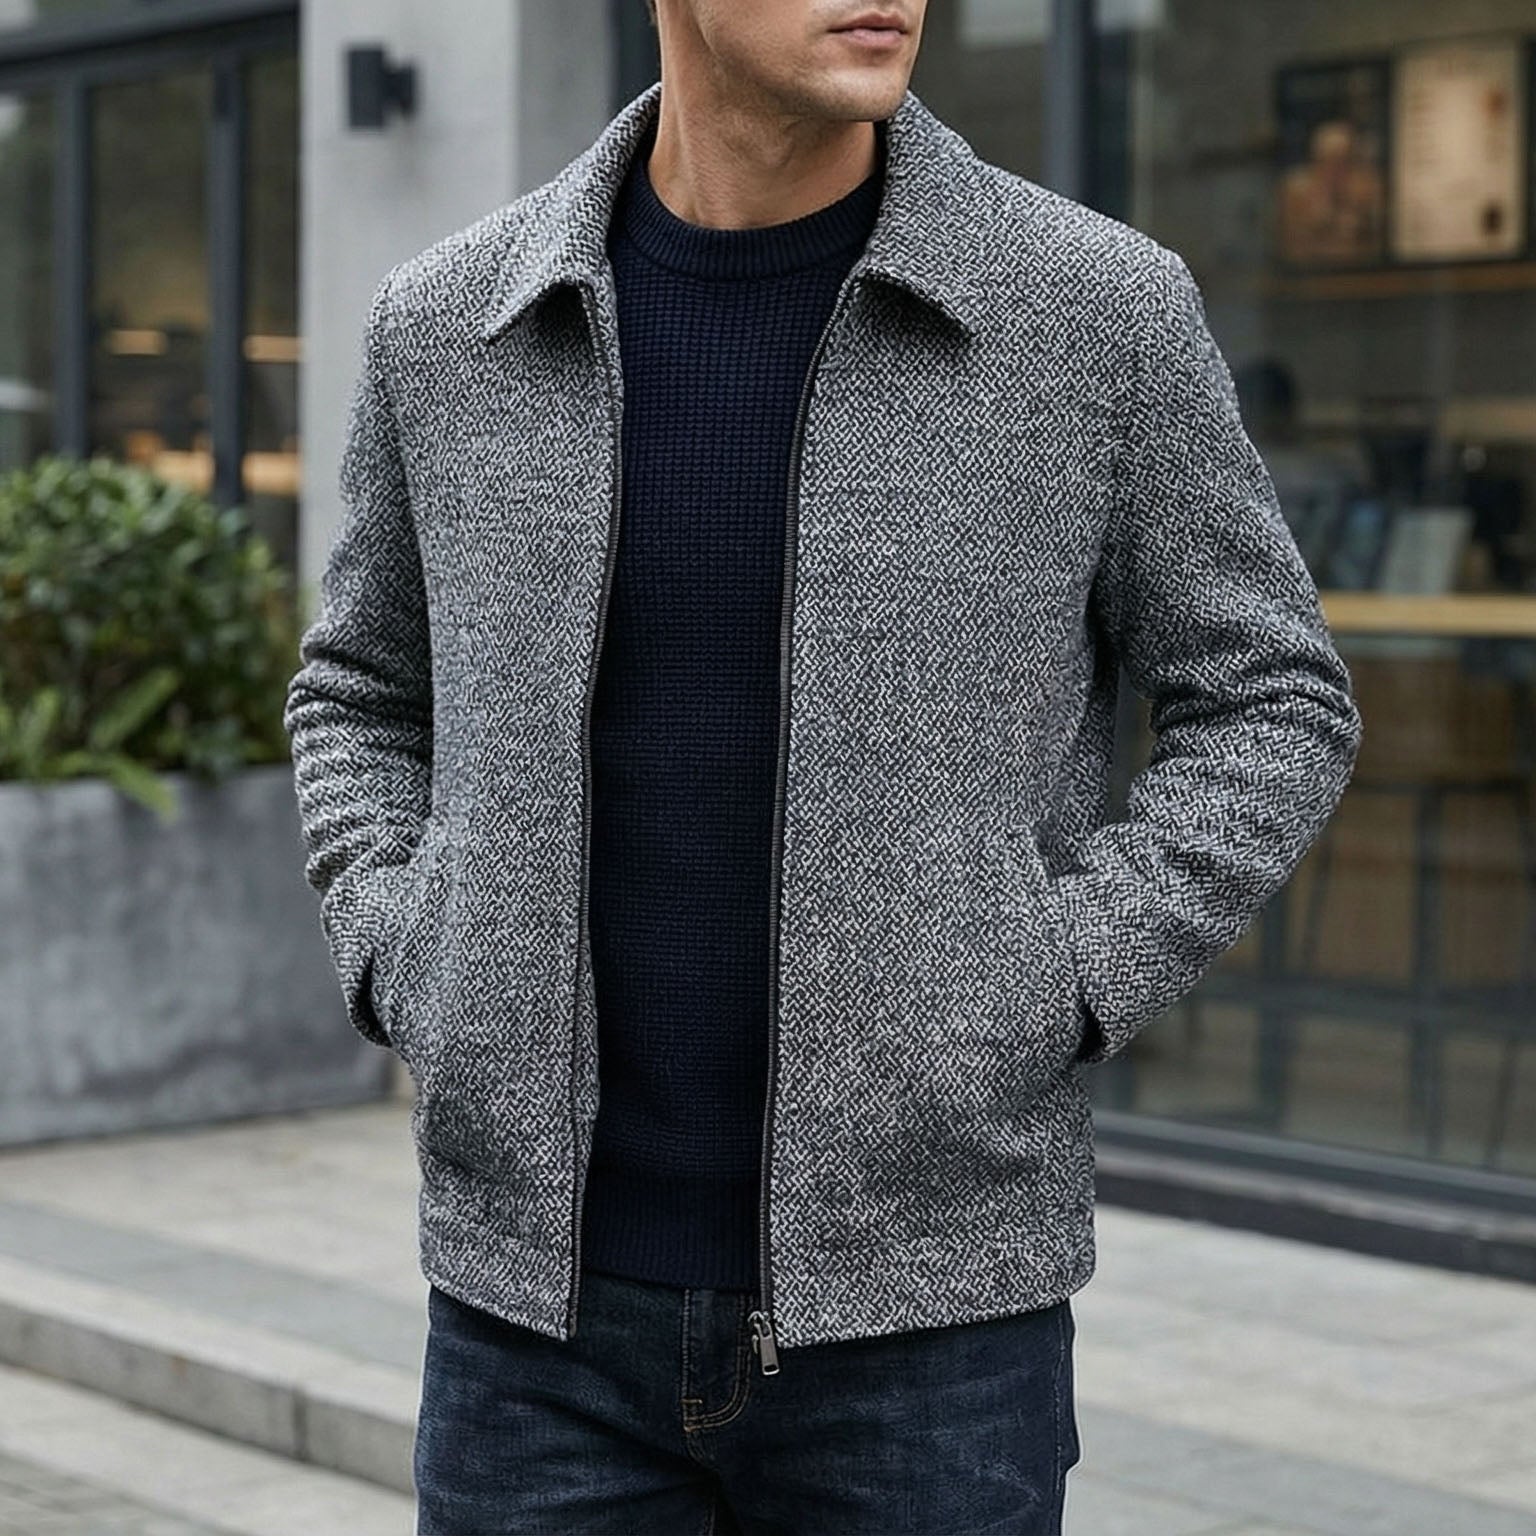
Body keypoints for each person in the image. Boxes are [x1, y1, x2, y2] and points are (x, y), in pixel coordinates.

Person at [282, 1, 1363, 1530]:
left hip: (931, 1331)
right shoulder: (451, 324)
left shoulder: (1093, 310)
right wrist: (406, 948)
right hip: (534, 1333)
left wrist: (1055, 978)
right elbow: (358, 687)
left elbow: (1273, 695)